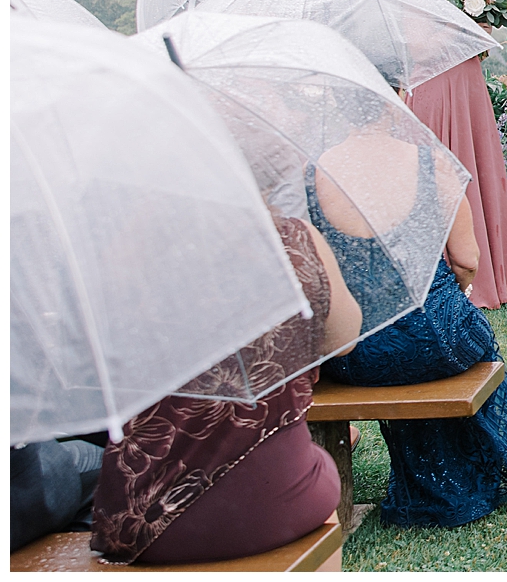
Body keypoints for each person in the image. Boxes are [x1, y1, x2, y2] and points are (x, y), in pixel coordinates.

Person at [314, 136, 507, 528]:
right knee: (458, 337)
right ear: (400, 92)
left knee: (418, 350)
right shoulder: (431, 165)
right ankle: (465, 474)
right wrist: (457, 292)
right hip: (435, 339)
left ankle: (435, 479)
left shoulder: (312, 172)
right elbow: (466, 260)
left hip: (353, 352)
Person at [89, 216, 359, 564]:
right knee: (316, 470)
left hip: (144, 522)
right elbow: (344, 339)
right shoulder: (290, 237)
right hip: (280, 494)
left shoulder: (120, 251)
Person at [406, 0, 507, 309]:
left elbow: (475, 48)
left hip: (468, 88)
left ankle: (490, 269)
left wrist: (479, 23)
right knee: (446, 172)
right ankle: (445, 272)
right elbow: (419, 49)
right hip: (438, 93)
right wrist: (461, 25)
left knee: (476, 167)